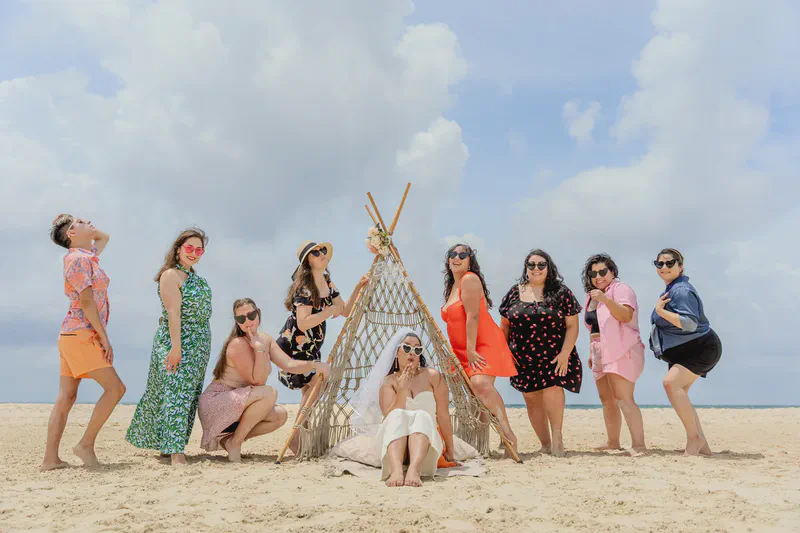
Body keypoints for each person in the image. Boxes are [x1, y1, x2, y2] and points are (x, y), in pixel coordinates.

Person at [41, 215, 126, 470]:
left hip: (71, 334)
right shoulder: (78, 259)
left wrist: (79, 226)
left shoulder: (86, 255)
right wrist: (103, 337)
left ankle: (50, 460)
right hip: (81, 333)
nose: (87, 220)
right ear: (70, 234)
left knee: (66, 397)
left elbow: (104, 237)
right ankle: (85, 445)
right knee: (115, 389)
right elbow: (87, 302)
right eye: (79, 221)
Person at [198, 298, 331, 462]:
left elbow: (288, 364)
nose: (247, 321)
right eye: (241, 319)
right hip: (217, 402)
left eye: (251, 315)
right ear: (236, 322)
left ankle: (231, 440)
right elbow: (257, 381)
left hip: (239, 405)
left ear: (258, 314)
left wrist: (314, 365)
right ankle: (236, 442)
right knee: (269, 393)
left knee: (280, 416)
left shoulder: (265, 339)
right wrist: (259, 351)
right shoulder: (237, 344)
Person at [126, 228, 212, 466]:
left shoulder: (197, 278)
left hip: (199, 343)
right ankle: (176, 453)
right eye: (189, 248)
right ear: (178, 249)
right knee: (174, 391)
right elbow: (173, 314)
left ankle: (169, 446)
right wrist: (176, 347)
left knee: (188, 394)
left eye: (199, 249)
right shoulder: (170, 275)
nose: (194, 253)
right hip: (177, 340)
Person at [277, 240, 369, 453]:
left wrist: (358, 287)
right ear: (307, 261)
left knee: (311, 390)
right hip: (297, 346)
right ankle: (297, 435)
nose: (321, 254)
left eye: (323, 251)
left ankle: (299, 436)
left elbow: (344, 310)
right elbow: (303, 322)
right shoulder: (305, 287)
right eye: (316, 252)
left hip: (312, 345)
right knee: (317, 386)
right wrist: (328, 312)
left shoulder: (327, 282)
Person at [499, 249, 582, 456]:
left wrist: (565, 353)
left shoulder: (561, 292)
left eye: (541, 265)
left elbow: (572, 325)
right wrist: (505, 353)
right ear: (526, 268)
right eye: (531, 265)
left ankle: (557, 440)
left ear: (549, 267)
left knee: (553, 389)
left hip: (554, 354)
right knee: (531, 398)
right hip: (522, 356)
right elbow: (505, 327)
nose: (536, 269)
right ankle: (544, 444)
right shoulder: (514, 292)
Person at [440, 244, 518, 456]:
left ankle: (508, 435)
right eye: (452, 254)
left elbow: (473, 316)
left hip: (481, 344)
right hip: (461, 349)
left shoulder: (469, 279)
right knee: (476, 397)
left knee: (481, 384)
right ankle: (480, 445)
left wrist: (472, 349)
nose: (457, 257)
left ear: (470, 260)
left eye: (462, 255)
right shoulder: (452, 286)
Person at [350, 328, 455, 487]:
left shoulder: (433, 376)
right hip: (395, 444)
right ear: (396, 352)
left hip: (424, 443)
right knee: (398, 414)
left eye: (417, 349)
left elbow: (443, 415)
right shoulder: (388, 382)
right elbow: (389, 416)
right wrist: (402, 390)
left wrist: (451, 451)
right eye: (406, 348)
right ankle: (396, 470)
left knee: (421, 415)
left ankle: (414, 469)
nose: (412, 352)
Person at [650, 248, 722, 456]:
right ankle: (703, 445)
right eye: (659, 263)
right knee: (679, 393)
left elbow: (689, 324)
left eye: (670, 263)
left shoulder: (680, 290)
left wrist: (661, 311)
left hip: (699, 347)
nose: (664, 267)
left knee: (670, 384)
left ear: (680, 267)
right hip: (686, 350)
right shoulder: (672, 288)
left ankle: (694, 438)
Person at [581, 254, 646, 455]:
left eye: (603, 272)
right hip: (600, 349)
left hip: (622, 348)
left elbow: (626, 316)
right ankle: (613, 441)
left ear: (612, 272)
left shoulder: (621, 289)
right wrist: (593, 351)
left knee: (624, 397)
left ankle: (639, 445)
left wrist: (606, 300)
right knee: (607, 399)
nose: (598, 276)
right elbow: (594, 326)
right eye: (593, 273)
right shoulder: (591, 296)